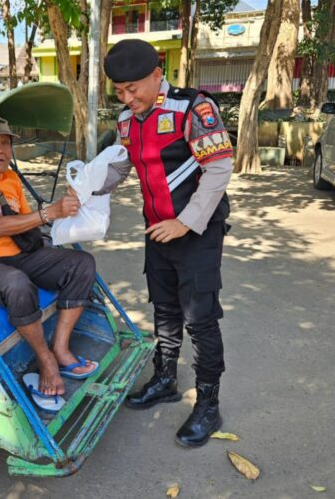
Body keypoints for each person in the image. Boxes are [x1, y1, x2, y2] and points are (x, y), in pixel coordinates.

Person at [101, 39, 233, 448]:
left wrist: (186, 223)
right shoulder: (128, 120)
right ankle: (165, 378)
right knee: (164, 308)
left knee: (200, 318)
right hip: (156, 230)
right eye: (119, 91)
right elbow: (122, 166)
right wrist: (85, 192)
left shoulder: (195, 108)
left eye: (133, 88)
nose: (127, 98)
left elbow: (218, 168)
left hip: (196, 231)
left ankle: (209, 403)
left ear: (157, 74)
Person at [0, 115, 98, 399]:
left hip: (20, 253)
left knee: (82, 264)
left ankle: (61, 349)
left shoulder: (11, 178)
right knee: (17, 284)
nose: (0, 150)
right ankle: (45, 359)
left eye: (5, 143)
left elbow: (27, 222)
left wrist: (68, 211)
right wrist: (49, 212)